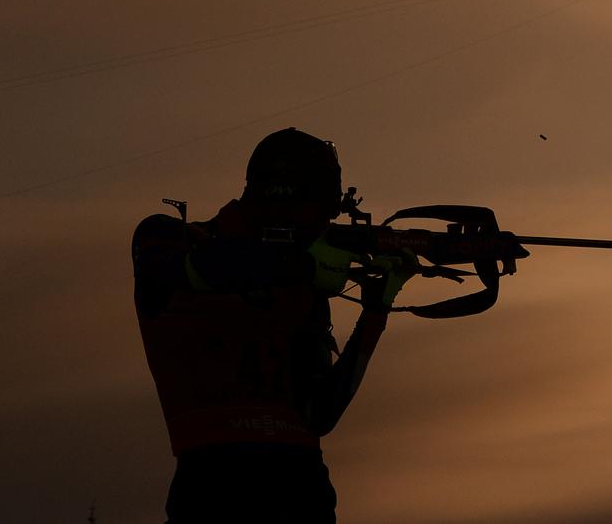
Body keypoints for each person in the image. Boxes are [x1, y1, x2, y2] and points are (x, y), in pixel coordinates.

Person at [132, 128, 415, 523]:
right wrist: (303, 266)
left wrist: (376, 310)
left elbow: (319, 415)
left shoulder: (301, 287)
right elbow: (186, 273)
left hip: (303, 490)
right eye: (318, 208)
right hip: (213, 489)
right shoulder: (169, 237)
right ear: (283, 195)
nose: (323, 224)